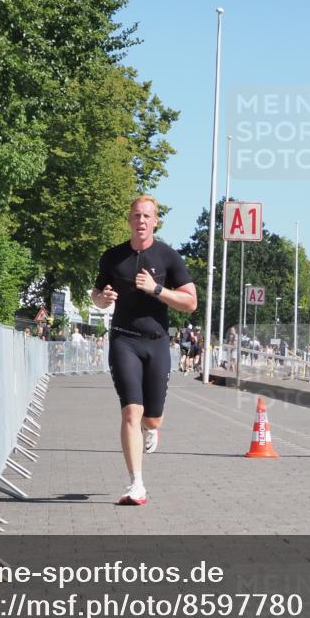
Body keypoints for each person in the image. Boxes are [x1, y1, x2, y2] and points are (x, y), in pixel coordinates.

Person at [90, 195, 197, 505]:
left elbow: (190, 303)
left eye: (147, 216)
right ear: (129, 219)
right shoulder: (112, 257)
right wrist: (102, 299)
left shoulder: (168, 257)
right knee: (130, 412)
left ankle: (152, 429)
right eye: (136, 215)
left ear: (156, 221)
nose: (141, 221)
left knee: (152, 419)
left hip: (157, 342)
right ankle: (136, 483)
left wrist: (157, 289)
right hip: (123, 339)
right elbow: (97, 293)